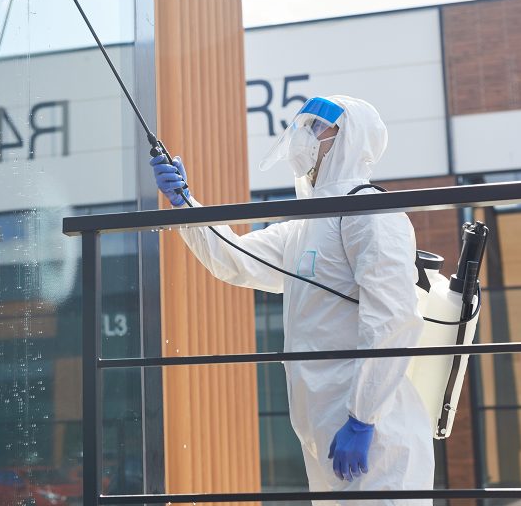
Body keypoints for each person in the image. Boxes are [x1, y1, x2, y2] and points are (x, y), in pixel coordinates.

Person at [150, 96, 432, 504]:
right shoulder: (304, 227)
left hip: (375, 434)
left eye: (318, 127)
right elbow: (234, 259)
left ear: (350, 137)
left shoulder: (370, 212)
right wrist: (185, 205)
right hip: (322, 426)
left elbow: (392, 319)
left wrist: (363, 418)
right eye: (304, 126)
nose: (306, 136)